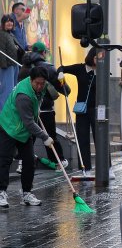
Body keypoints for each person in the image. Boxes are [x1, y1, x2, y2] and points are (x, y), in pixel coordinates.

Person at [0, 66, 52, 208]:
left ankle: (27, 193)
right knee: (4, 159)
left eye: (43, 83)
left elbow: (52, 94)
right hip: (9, 126)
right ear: (31, 80)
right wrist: (44, 136)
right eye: (37, 83)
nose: (40, 86)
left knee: (29, 161)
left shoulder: (42, 86)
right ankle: (1, 192)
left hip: (23, 130)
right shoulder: (23, 95)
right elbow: (28, 122)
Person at [59, 47, 112, 176]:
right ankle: (86, 169)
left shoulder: (102, 70)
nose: (99, 60)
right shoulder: (80, 68)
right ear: (91, 56)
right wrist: (60, 75)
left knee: (101, 139)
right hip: (82, 109)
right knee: (82, 139)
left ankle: (108, 168)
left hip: (97, 110)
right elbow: (62, 68)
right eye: (96, 57)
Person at [19, 42, 69, 168]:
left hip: (29, 109)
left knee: (29, 136)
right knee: (49, 136)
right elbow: (65, 90)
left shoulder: (24, 68)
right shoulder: (49, 68)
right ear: (44, 53)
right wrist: (62, 79)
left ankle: (22, 163)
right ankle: (58, 161)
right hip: (45, 109)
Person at [0, 14, 22, 109]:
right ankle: (4, 112)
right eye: (7, 21)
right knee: (7, 90)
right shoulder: (2, 34)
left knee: (13, 89)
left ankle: (10, 110)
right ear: (3, 23)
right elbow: (2, 50)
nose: (9, 23)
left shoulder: (11, 35)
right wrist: (3, 66)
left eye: (11, 21)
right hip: (7, 66)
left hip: (14, 64)